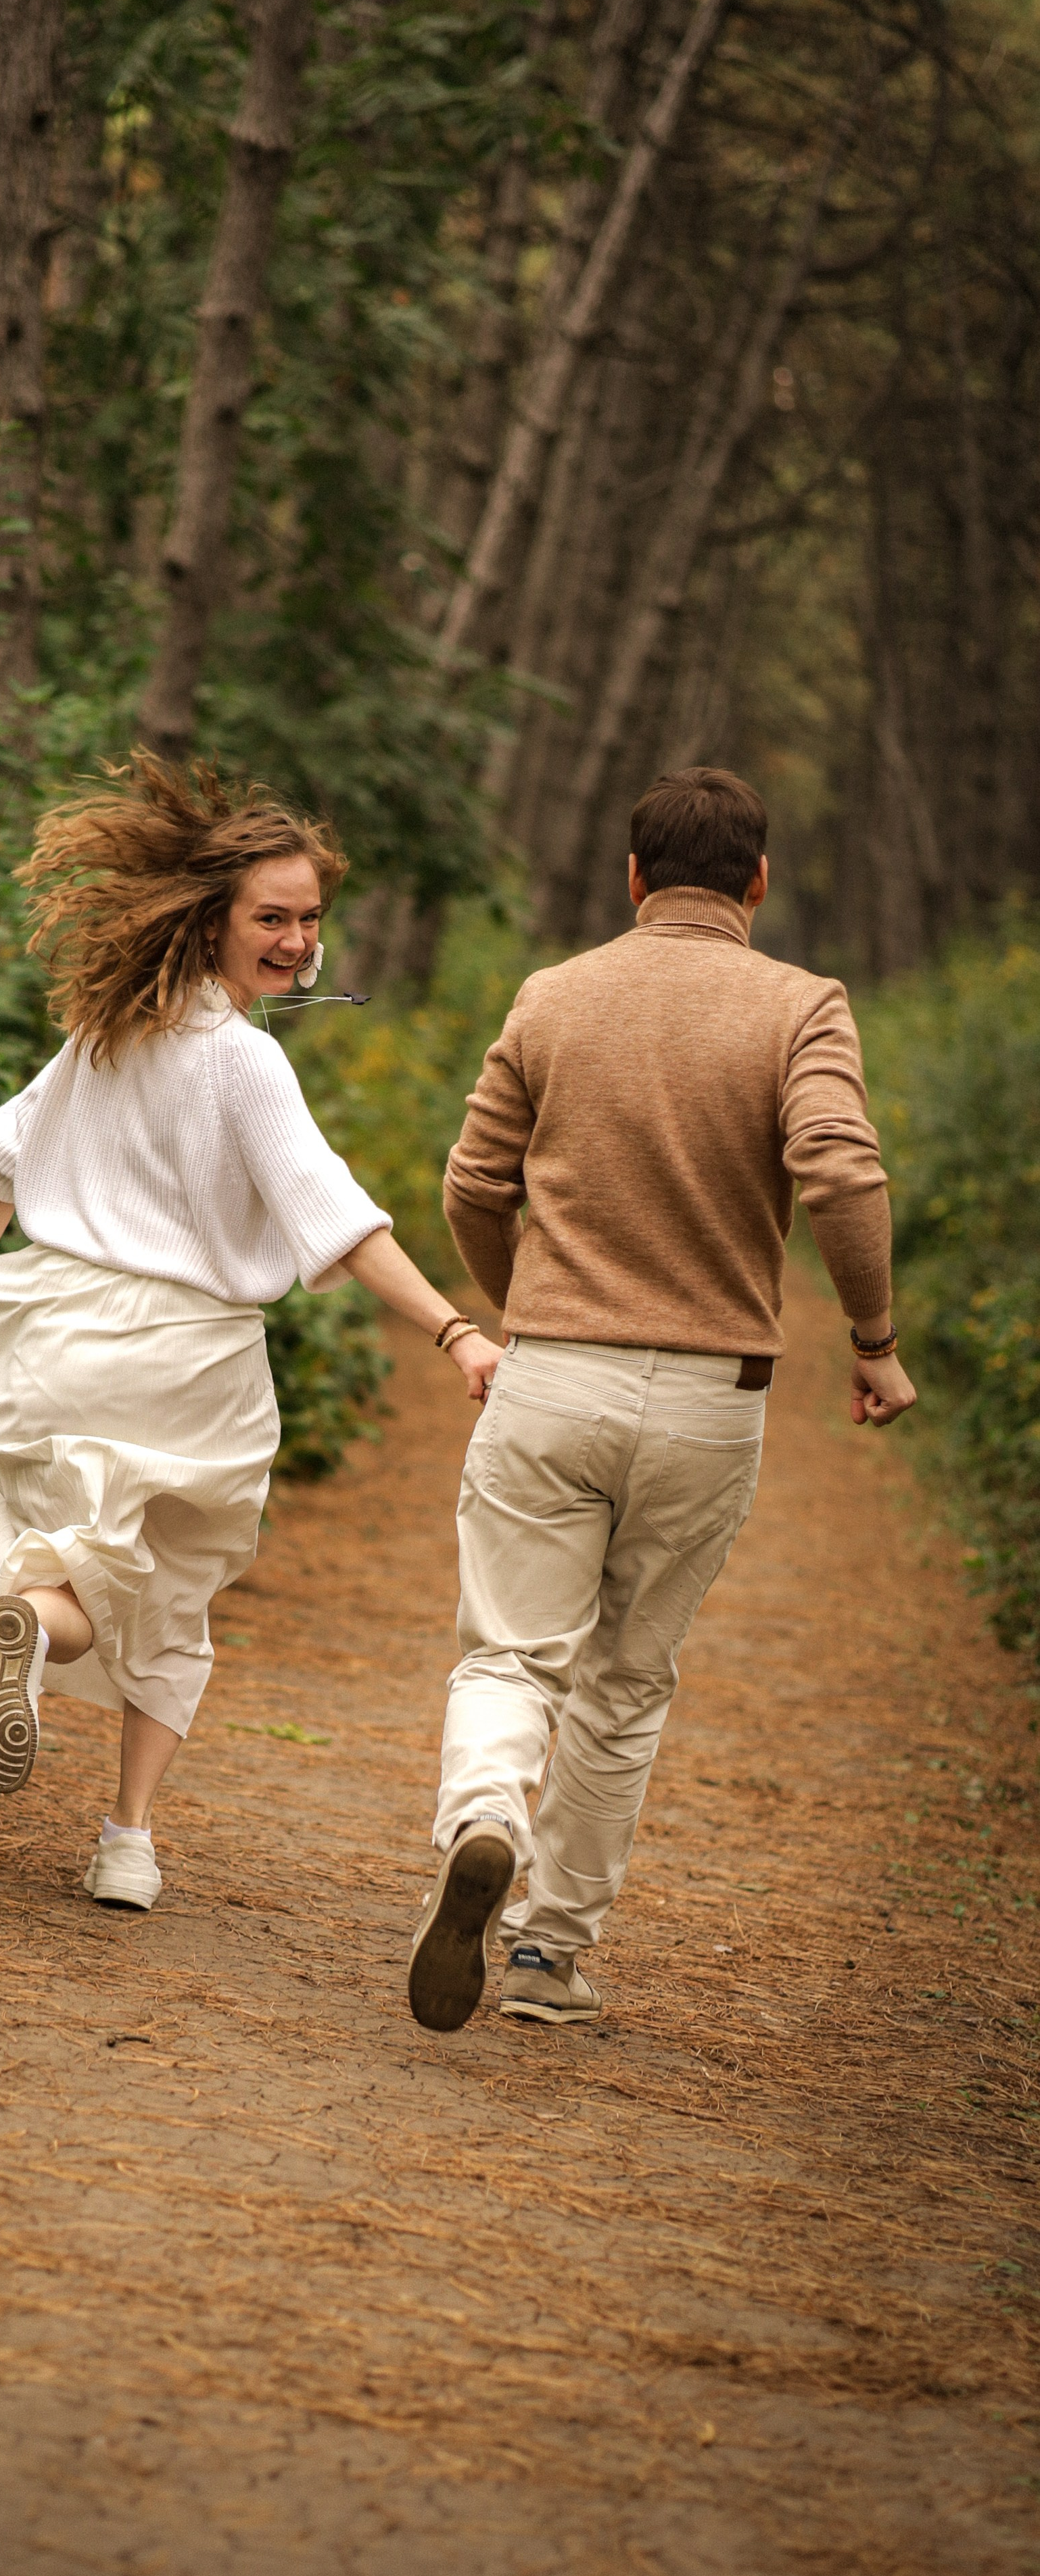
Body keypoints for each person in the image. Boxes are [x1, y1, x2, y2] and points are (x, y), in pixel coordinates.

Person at [0, 754, 502, 1914]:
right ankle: (127, 1837)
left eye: (309, 919)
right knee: (166, 1596)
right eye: (271, 919)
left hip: (46, 1331)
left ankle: (26, 1633)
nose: (294, 942)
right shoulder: (246, 1062)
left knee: (57, 1562)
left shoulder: (107, 1028)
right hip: (185, 1362)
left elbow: (2, 1157)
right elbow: (340, 1227)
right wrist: (456, 1334)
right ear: (212, 922)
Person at [406, 766, 917, 2035]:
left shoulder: (553, 996)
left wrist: (526, 1302)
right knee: (627, 1681)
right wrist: (875, 1338)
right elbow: (843, 1175)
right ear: (757, 881)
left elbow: (473, 1183)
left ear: (632, 879)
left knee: (511, 1650)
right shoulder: (803, 1006)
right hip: (708, 1400)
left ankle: (483, 1817)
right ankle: (546, 1958)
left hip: (553, 1373)